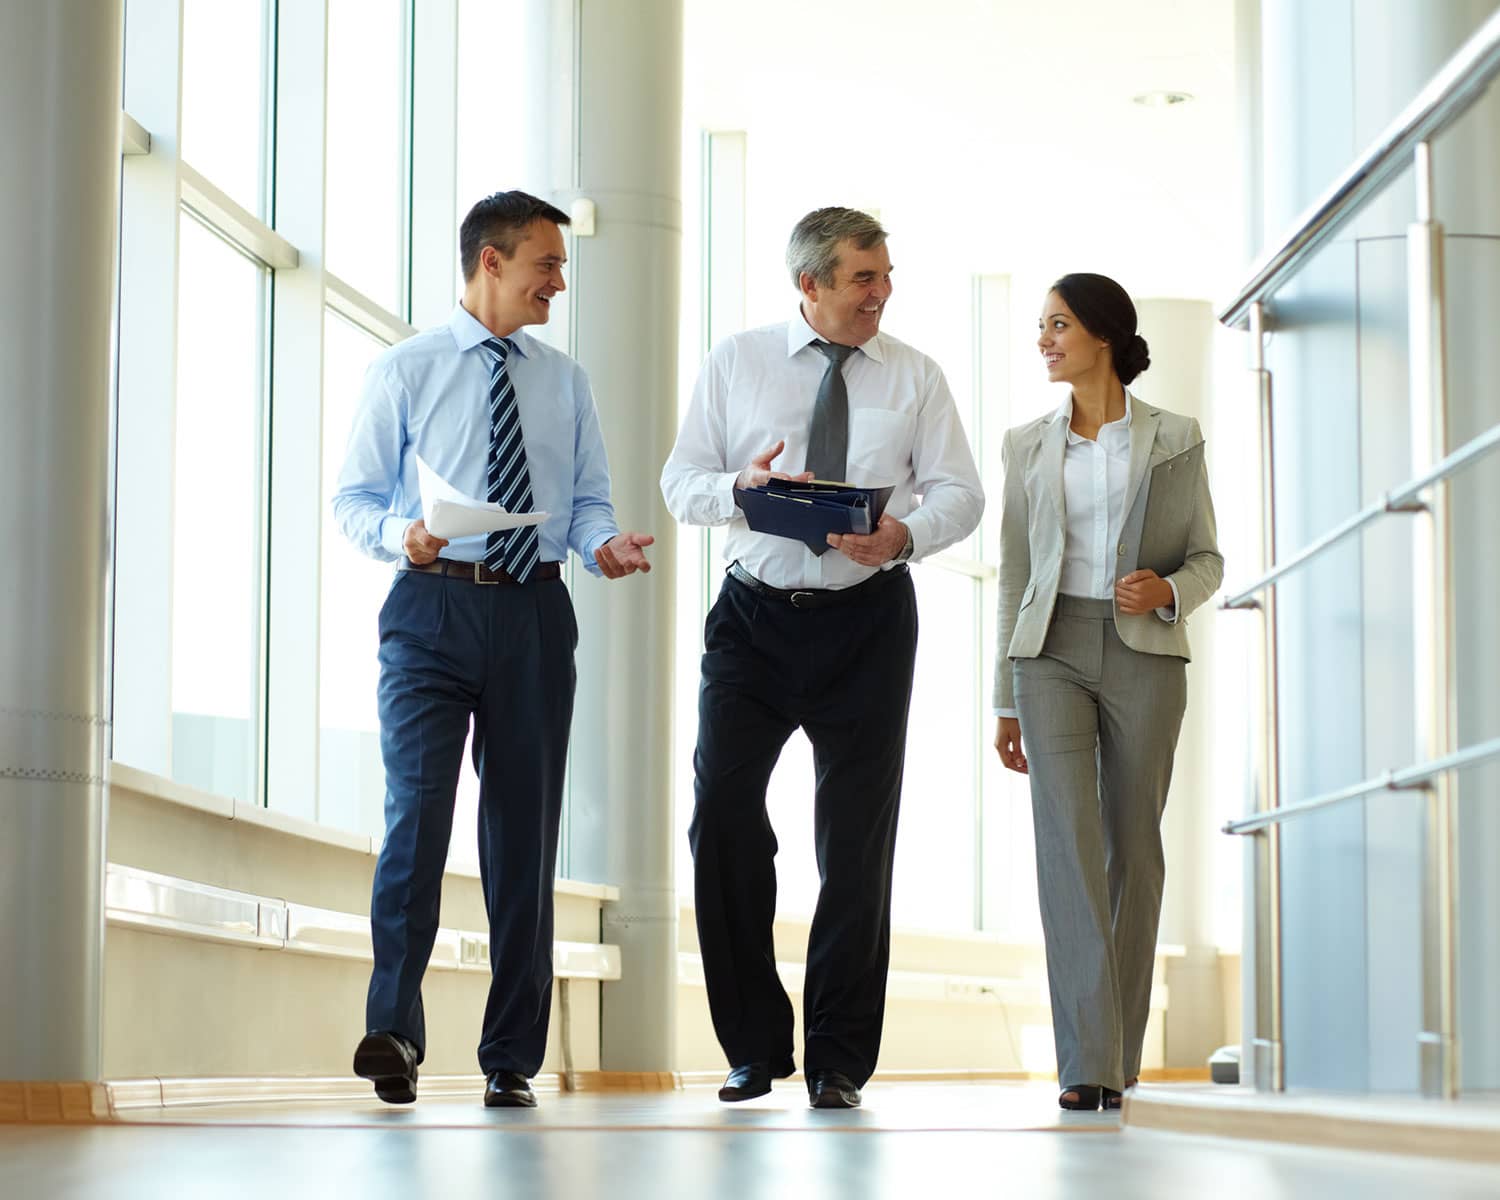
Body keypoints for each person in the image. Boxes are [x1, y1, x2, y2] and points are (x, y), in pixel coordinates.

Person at [333, 189, 654, 1109]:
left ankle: (510, 1055)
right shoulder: (407, 368)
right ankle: (393, 1030)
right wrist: (405, 536)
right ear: (491, 263)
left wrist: (602, 543)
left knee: (524, 836)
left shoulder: (566, 381)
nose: (559, 281)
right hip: (431, 611)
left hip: (535, 617)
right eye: (547, 264)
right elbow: (354, 500)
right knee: (417, 822)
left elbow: (588, 497)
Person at [661, 207, 984, 1110]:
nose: (882, 293)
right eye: (863, 279)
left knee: (855, 841)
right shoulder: (738, 361)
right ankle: (753, 1047)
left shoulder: (915, 375)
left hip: (868, 623)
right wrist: (741, 486)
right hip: (753, 621)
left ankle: (838, 1059)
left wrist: (905, 534)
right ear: (810, 285)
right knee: (722, 815)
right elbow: (681, 481)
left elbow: (962, 490)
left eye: (884, 276)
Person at [992, 273, 1223, 1111]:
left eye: (1058, 325)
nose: (1045, 340)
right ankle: (1085, 1063)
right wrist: (1003, 697)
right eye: (1041, 326)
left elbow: (1207, 559)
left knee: (1135, 847)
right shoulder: (1025, 443)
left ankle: (1117, 1050)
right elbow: (1016, 574)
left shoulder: (1176, 437)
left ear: (1102, 335)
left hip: (1144, 657)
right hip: (1048, 653)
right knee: (1068, 849)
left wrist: (1162, 591)